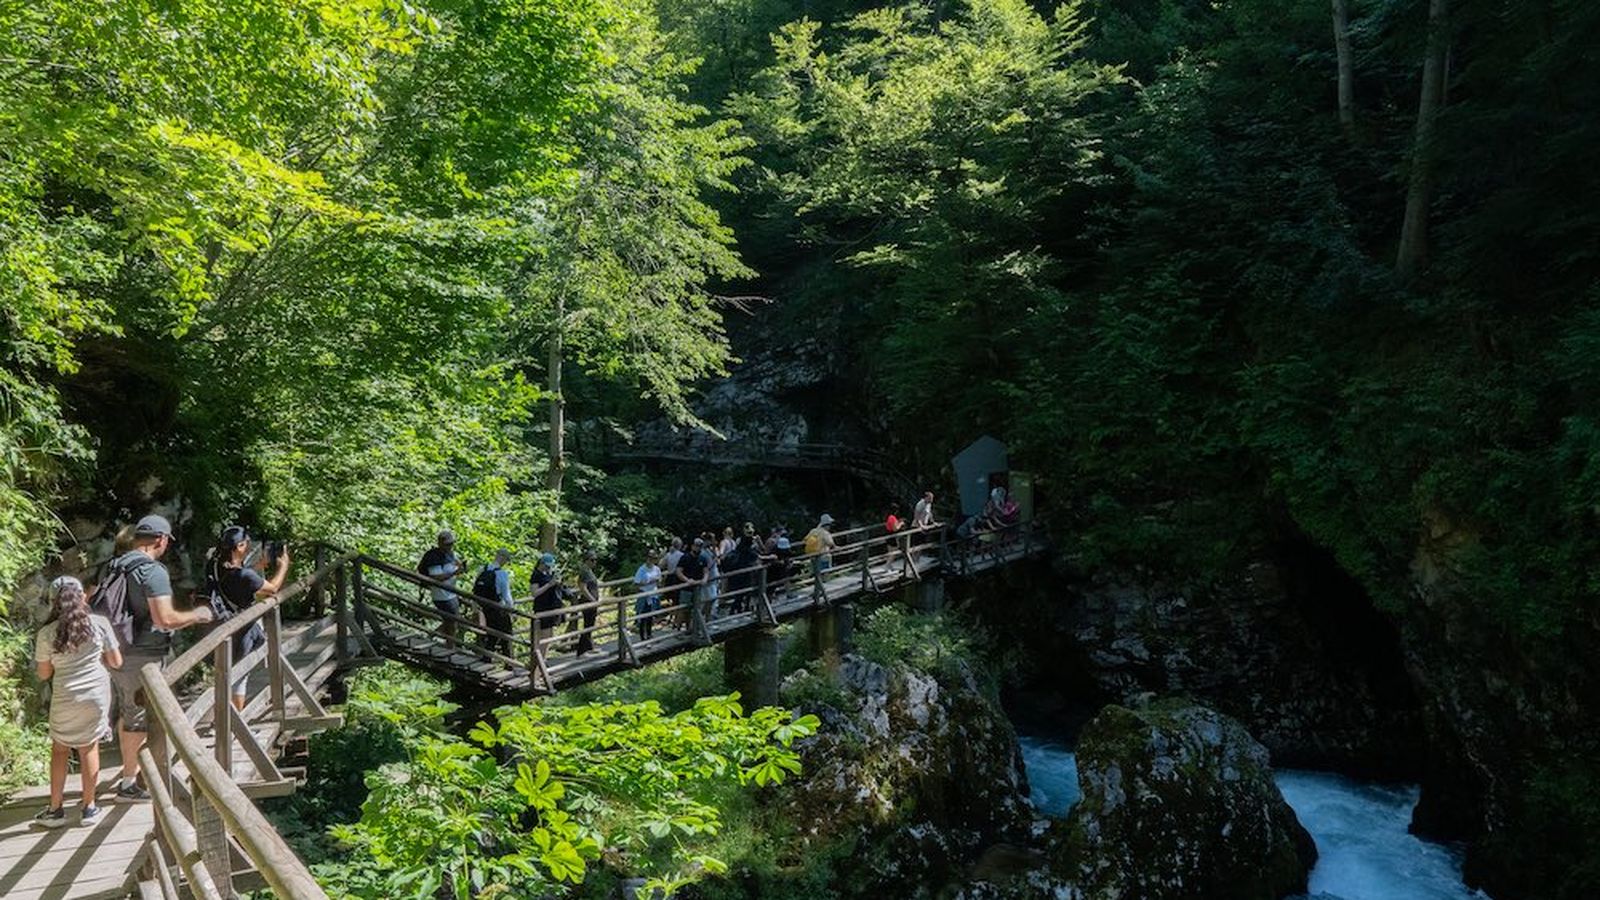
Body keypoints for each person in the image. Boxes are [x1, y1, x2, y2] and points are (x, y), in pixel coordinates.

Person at [107, 514, 215, 802]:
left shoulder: (116, 564)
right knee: (141, 719)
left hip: (116, 651)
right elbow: (164, 618)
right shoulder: (152, 571)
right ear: (161, 540)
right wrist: (197, 615)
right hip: (142, 655)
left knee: (129, 713)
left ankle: (133, 775)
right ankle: (137, 783)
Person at [33, 577, 121, 828]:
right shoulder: (99, 624)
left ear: (54, 602)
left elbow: (43, 674)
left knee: (60, 749)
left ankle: (55, 810)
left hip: (65, 696)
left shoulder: (47, 633)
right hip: (96, 694)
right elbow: (116, 662)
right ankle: (89, 808)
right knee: (88, 747)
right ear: (83, 597)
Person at [208, 526, 291, 710]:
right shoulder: (245, 576)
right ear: (239, 546)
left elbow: (240, 578)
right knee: (239, 676)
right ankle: (232, 725)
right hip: (241, 631)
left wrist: (256, 568)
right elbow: (273, 588)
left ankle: (225, 721)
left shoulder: (216, 565)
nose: (249, 547)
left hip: (221, 625)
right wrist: (283, 566)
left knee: (230, 674)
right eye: (246, 544)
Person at [418, 530, 467, 649]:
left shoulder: (450, 553)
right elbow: (436, 577)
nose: (450, 546)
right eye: (448, 544)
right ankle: (449, 646)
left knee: (453, 620)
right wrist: (455, 572)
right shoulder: (433, 557)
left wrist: (462, 567)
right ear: (440, 543)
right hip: (441, 595)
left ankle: (436, 637)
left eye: (452, 544)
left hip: (451, 593)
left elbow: (457, 563)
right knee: (452, 621)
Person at [472, 550, 515, 657]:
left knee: (492, 633)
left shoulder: (482, 569)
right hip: (498, 607)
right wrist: (512, 611)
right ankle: (509, 662)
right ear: (504, 558)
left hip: (485, 607)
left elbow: (475, 589)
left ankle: (487, 658)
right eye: (506, 560)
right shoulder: (502, 574)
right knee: (507, 635)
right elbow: (506, 596)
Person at [530, 553, 565, 654]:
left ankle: (543, 659)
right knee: (543, 637)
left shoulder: (548, 573)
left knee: (549, 636)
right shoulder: (536, 575)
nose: (548, 567)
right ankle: (538, 661)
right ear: (542, 564)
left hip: (550, 608)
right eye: (547, 565)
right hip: (542, 608)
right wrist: (549, 585)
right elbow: (534, 593)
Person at [673, 538, 707, 629]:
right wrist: (687, 580)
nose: (698, 548)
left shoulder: (703, 558)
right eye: (696, 546)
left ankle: (692, 629)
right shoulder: (685, 557)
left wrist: (704, 579)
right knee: (683, 609)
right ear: (692, 546)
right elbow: (678, 571)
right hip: (686, 588)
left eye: (699, 546)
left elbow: (706, 571)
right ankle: (678, 629)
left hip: (698, 588)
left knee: (696, 609)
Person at [574, 551, 600, 656]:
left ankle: (589, 647)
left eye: (595, 560)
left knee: (590, 624)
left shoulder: (589, 571)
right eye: (592, 560)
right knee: (587, 625)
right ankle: (581, 651)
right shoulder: (584, 571)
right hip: (588, 602)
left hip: (592, 601)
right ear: (586, 560)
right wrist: (592, 600)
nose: (594, 562)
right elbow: (582, 587)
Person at [632, 552, 663, 640]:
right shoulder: (642, 569)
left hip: (653, 594)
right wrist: (646, 583)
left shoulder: (657, 569)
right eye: (650, 558)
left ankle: (649, 634)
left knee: (651, 615)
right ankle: (642, 636)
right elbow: (636, 583)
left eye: (654, 558)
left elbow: (660, 580)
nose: (652, 560)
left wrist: (657, 581)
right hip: (644, 595)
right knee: (643, 616)